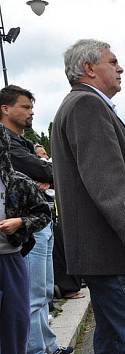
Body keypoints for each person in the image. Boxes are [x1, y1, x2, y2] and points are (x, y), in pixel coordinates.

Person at [51, 39, 125, 353]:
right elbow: (107, 186)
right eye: (112, 61)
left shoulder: (79, 105)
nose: (120, 68)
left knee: (115, 339)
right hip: (113, 251)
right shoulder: (86, 105)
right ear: (89, 69)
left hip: (103, 252)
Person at [0, 85, 73, 354]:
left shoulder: (24, 143)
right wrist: (42, 175)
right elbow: (44, 169)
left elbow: (44, 172)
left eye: (32, 107)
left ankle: (48, 347)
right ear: (5, 109)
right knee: (30, 297)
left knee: (42, 293)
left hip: (40, 220)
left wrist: (44, 175)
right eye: (25, 107)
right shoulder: (6, 143)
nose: (31, 112)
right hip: (24, 229)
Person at [0, 122, 51, 354]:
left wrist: (20, 223)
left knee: (16, 323)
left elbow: (42, 213)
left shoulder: (16, 181)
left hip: (10, 260)